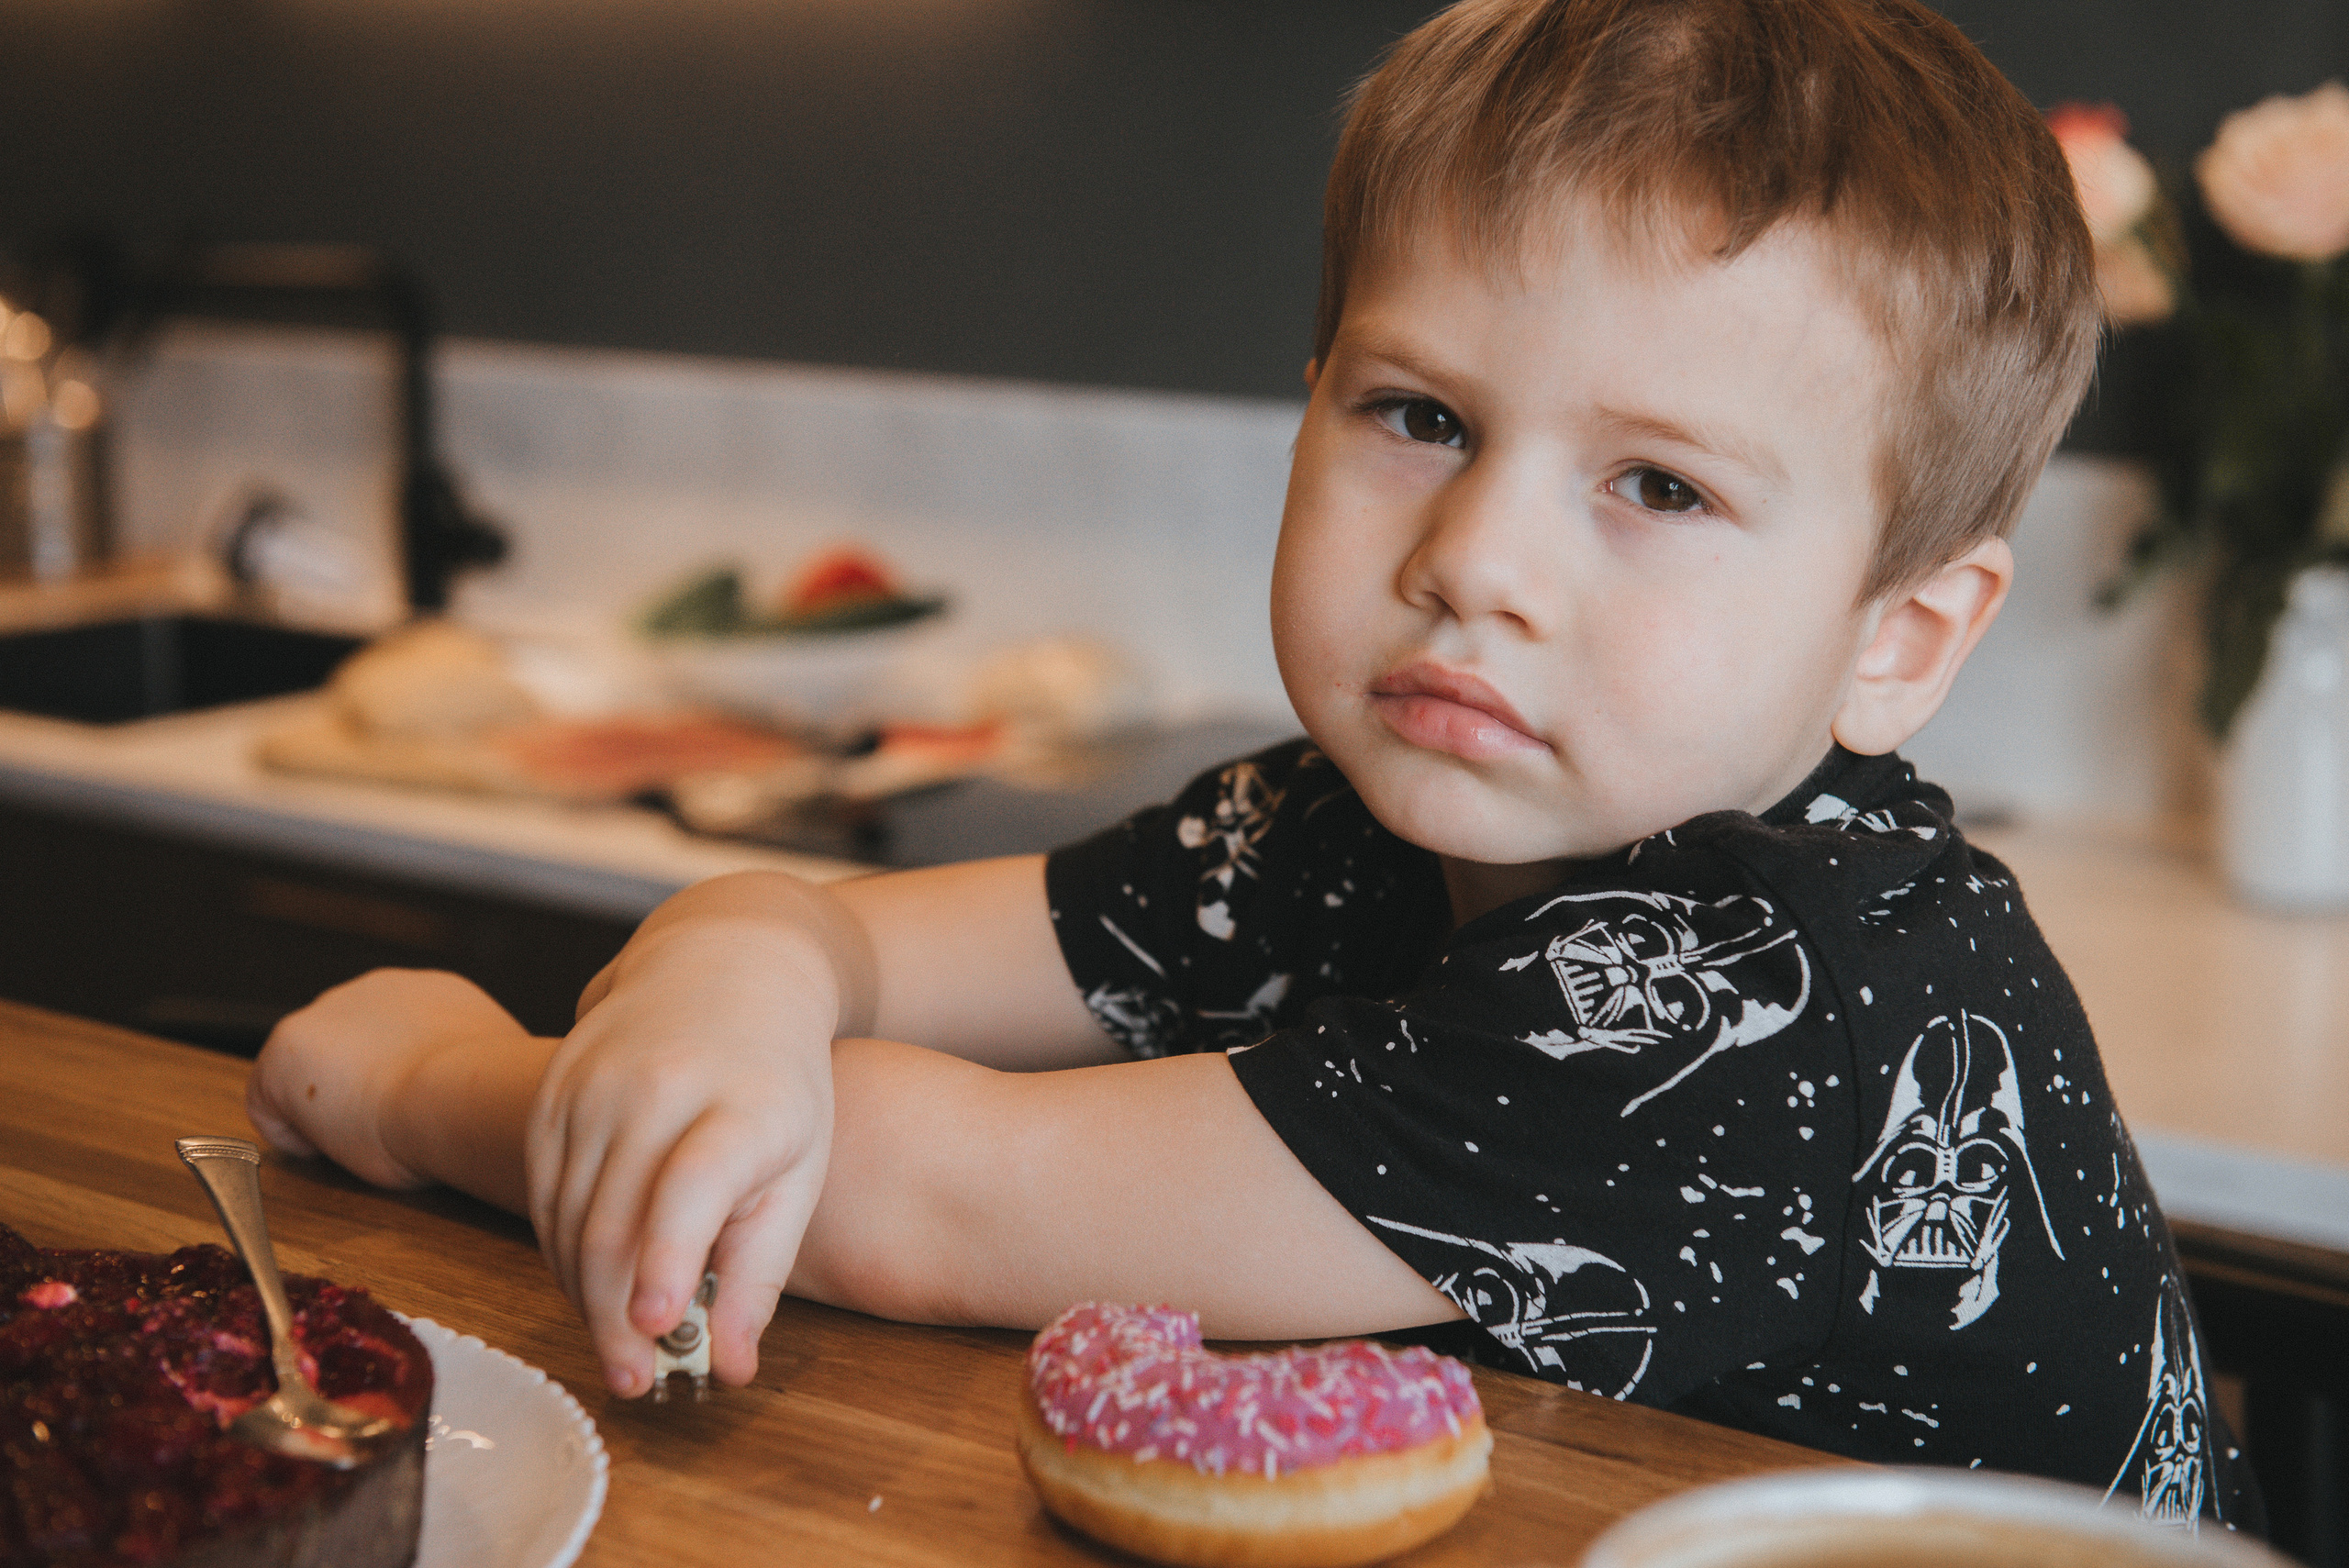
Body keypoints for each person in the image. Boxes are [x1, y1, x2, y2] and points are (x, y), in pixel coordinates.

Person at [247, 0, 2258, 1524]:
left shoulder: (1759, 986)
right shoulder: (1345, 817)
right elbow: (836, 937)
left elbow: (915, 1203)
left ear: (1893, 642)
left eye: (1655, 482)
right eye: (1419, 415)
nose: (1473, 559)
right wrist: (730, 967)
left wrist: (441, 1085)